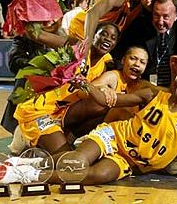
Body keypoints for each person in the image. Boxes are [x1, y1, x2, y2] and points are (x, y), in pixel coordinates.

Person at [61, 64, 177, 186]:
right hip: (114, 137)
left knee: (97, 175)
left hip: (129, 161)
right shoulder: (153, 95)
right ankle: (40, 173)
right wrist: (85, 84)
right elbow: (107, 101)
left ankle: (40, 172)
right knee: (76, 163)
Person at [13, 23, 120, 155]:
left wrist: (104, 88)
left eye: (113, 37)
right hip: (39, 112)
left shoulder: (106, 63)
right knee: (66, 159)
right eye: (103, 34)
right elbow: (38, 35)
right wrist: (26, 12)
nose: (108, 39)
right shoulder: (77, 46)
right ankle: (24, 143)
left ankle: (66, 138)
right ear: (92, 35)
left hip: (63, 112)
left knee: (104, 105)